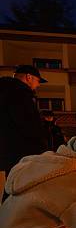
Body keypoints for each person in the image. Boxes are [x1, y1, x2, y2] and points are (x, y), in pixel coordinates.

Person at [0, 65, 48, 202]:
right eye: (37, 81)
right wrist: (41, 148)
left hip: (10, 150)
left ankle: (9, 217)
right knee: (20, 188)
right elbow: (28, 123)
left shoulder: (6, 91)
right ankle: (11, 219)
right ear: (28, 77)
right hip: (22, 151)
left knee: (14, 185)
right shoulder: (19, 93)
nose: (37, 85)